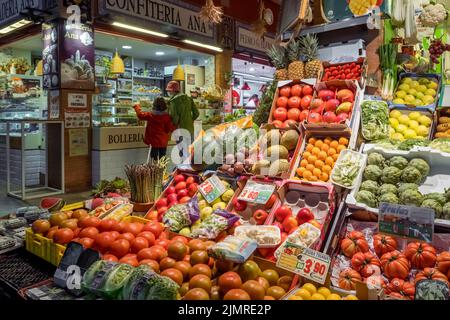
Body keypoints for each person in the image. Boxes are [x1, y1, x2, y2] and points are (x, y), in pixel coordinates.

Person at [133, 96, 176, 161]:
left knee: (153, 159)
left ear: (154, 105)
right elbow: (168, 129)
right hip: (162, 141)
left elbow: (140, 116)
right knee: (162, 159)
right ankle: (162, 171)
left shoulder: (150, 115)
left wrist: (136, 106)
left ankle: (155, 170)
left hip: (153, 141)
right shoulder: (167, 117)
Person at [166, 80, 199, 160]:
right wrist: (190, 120)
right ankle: (191, 170)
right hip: (190, 129)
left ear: (172, 91)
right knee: (190, 152)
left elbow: (175, 118)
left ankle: (184, 170)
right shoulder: (189, 98)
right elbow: (196, 113)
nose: (168, 93)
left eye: (169, 91)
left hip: (180, 130)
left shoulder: (174, 101)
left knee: (183, 153)